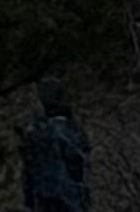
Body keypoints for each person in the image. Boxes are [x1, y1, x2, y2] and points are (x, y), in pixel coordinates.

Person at [20, 80, 91, 211]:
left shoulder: (36, 133)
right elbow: (81, 171)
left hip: (48, 198)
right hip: (67, 199)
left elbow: (28, 176)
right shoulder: (72, 132)